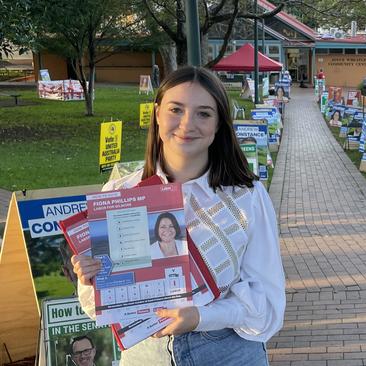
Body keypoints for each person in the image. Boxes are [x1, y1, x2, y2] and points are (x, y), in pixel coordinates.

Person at [72, 66, 285, 365]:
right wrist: (89, 278)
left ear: (219, 125)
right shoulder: (121, 192)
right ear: (157, 114)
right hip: (145, 353)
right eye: (176, 109)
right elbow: (99, 307)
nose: (187, 124)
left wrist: (202, 316)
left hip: (226, 351)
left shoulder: (247, 197)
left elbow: (267, 305)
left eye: (204, 113)